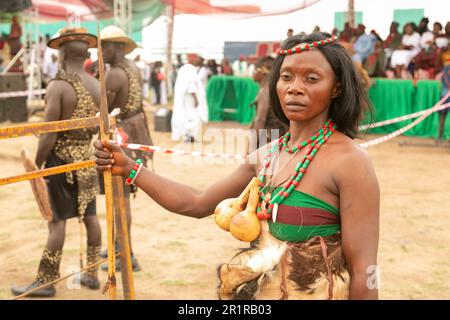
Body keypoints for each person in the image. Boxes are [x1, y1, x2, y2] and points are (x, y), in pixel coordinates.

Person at [94, 32, 380, 300]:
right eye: (287, 77)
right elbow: (195, 203)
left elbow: (365, 269)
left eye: (312, 78)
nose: (294, 88)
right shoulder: (265, 156)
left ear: (336, 88)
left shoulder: (350, 162)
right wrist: (128, 167)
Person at [11, 28, 102, 298]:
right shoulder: (96, 85)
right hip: (86, 161)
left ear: (61, 55)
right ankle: (92, 274)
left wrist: (36, 165)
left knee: (57, 222)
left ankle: (46, 280)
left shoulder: (59, 86)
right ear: (85, 56)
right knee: (90, 217)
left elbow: (50, 133)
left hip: (61, 162)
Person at [99, 25, 154, 271]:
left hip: (123, 136)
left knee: (120, 198)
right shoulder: (133, 68)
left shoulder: (114, 74)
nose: (100, 52)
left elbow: (104, 111)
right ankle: (117, 244)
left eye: (104, 47)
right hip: (135, 130)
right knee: (119, 196)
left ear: (117, 47)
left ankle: (126, 254)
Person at [250, 55, 288, 148]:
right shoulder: (272, 88)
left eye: (255, 70)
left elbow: (260, 119)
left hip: (268, 137)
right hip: (278, 136)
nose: (252, 73)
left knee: (265, 162)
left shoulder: (266, 90)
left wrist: (252, 145)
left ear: (262, 72)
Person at [171, 53, 208, 142]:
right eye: (197, 59)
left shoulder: (185, 68)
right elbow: (191, 85)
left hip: (185, 98)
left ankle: (188, 136)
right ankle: (190, 136)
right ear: (192, 59)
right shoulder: (189, 69)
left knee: (187, 116)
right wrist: (195, 99)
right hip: (190, 98)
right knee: (192, 117)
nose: (198, 61)